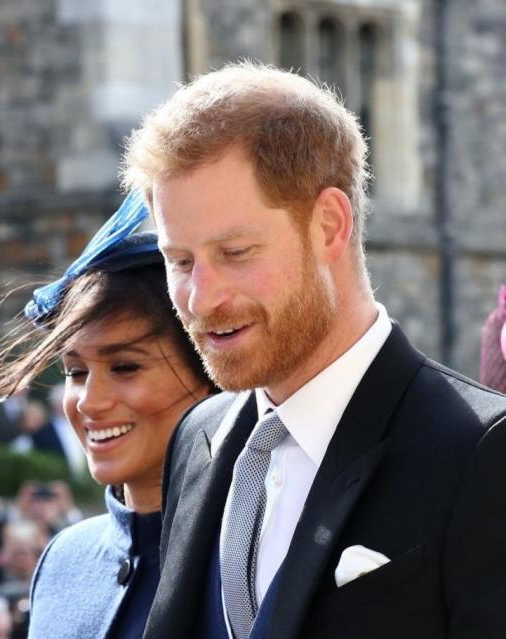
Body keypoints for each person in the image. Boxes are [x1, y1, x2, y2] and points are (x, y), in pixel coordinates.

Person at [119, 61, 506, 639]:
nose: (200, 299)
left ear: (329, 225)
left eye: (236, 252)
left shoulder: (483, 450)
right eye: (180, 262)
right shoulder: (195, 439)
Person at [0, 193, 215, 639]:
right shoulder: (63, 563)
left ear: (210, 373)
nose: (89, 402)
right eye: (75, 372)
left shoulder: (263, 557)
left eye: (126, 367)